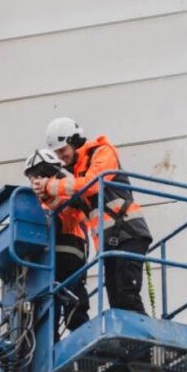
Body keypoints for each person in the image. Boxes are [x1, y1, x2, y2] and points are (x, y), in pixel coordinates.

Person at [30, 118, 152, 315]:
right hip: (109, 242)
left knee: (126, 294)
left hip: (129, 233)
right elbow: (72, 214)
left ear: (75, 141)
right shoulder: (76, 174)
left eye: (63, 150)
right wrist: (47, 198)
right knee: (117, 299)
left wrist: (51, 186)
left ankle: (143, 343)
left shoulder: (102, 151)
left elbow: (93, 184)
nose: (61, 157)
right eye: (57, 153)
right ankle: (133, 342)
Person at [24, 149, 89, 336]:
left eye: (39, 175)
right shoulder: (37, 203)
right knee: (48, 307)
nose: (35, 180)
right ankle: (51, 344)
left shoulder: (64, 190)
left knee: (72, 302)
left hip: (68, 251)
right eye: (32, 177)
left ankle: (79, 339)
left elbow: (69, 214)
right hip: (49, 258)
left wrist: (47, 194)